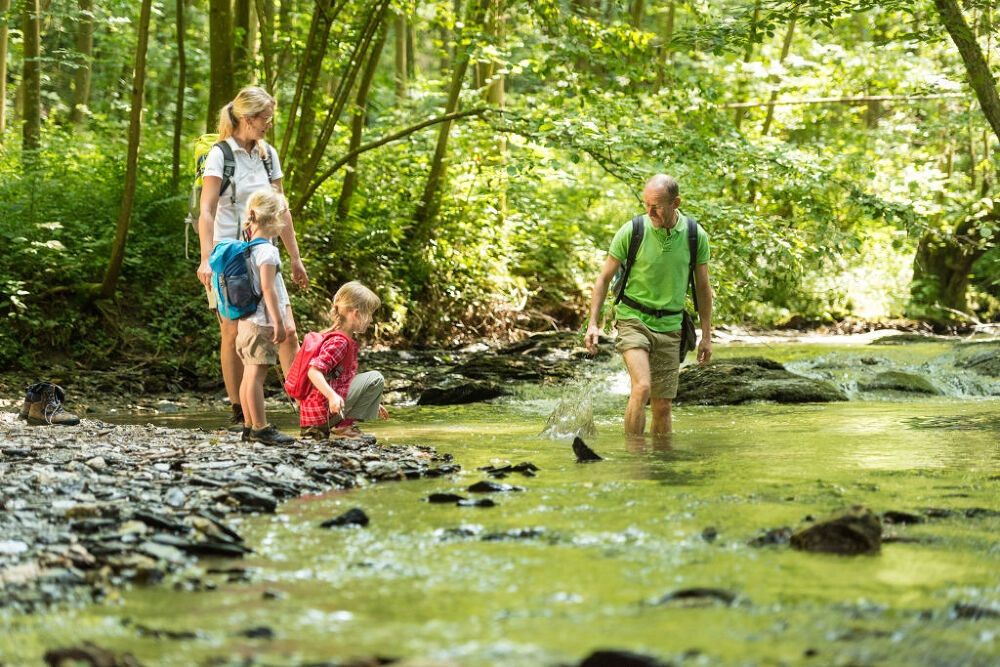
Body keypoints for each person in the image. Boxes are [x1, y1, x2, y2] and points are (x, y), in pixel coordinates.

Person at [196, 86, 309, 431]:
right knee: (233, 332)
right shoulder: (220, 154)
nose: (268, 125)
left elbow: (281, 210)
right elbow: (207, 209)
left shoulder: (267, 155)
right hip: (229, 258)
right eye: (264, 119)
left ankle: (307, 406)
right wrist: (205, 258)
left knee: (288, 331)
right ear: (247, 118)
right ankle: (240, 411)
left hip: (264, 252)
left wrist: (295, 257)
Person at [584, 174, 714, 436]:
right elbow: (603, 279)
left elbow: (702, 288)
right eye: (646, 204)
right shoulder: (633, 231)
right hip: (633, 320)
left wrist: (707, 335)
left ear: (675, 202)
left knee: (663, 404)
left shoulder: (693, 235)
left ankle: (659, 466)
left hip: (671, 326)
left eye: (656, 205)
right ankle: (635, 459)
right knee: (642, 387)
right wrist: (593, 323)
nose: (650, 211)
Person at [235, 189, 296, 445]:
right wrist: (279, 322)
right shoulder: (268, 252)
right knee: (257, 377)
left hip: (246, 322)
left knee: (249, 374)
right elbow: (269, 289)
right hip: (261, 323)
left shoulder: (247, 247)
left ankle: (249, 426)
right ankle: (261, 428)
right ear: (273, 220)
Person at [298, 282, 389, 441]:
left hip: (313, 419)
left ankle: (337, 428)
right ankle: (343, 428)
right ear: (355, 313)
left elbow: (341, 379)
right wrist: (332, 396)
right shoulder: (340, 342)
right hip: (322, 416)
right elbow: (313, 371)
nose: (372, 319)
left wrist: (371, 401)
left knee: (368, 381)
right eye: (370, 313)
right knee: (376, 378)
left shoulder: (334, 336)